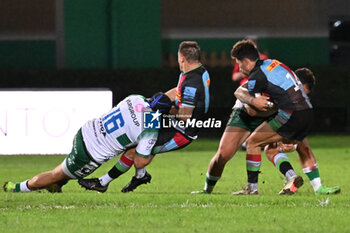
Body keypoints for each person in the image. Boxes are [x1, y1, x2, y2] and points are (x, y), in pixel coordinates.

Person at [78, 41, 211, 193]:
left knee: (136, 155)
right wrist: (153, 101)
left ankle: (108, 181)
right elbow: (179, 89)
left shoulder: (192, 83)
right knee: (136, 138)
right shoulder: (198, 71)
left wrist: (165, 108)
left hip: (181, 132)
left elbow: (185, 116)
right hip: (173, 123)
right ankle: (133, 177)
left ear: (182, 59)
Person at [3, 93, 172, 193]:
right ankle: (16, 188)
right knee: (58, 174)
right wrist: (156, 147)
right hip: (90, 153)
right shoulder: (150, 128)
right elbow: (140, 160)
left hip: (86, 131)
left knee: (65, 174)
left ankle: (54, 187)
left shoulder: (135, 98)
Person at [231, 40, 338, 195]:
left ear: (246, 61)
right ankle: (312, 185)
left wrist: (252, 101)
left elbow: (253, 111)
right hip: (307, 111)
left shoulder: (256, 76)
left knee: (253, 142)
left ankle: (252, 189)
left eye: (238, 63)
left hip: (290, 114)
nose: (239, 68)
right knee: (271, 149)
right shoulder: (272, 63)